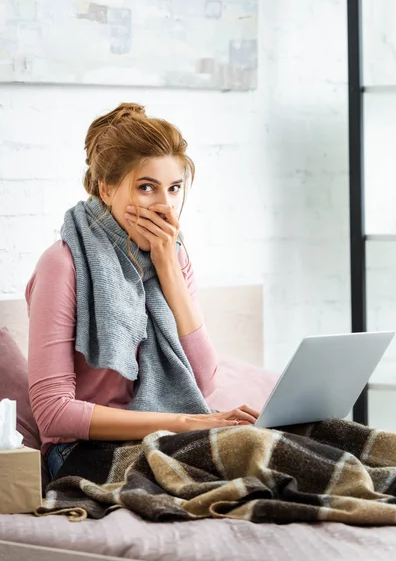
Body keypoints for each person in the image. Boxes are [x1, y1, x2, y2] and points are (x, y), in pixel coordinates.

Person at [26, 103, 259, 481]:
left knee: (296, 443)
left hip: (166, 437)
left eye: (174, 188)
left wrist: (169, 268)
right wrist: (186, 423)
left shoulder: (174, 256)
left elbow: (203, 381)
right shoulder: (63, 264)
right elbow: (54, 411)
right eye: (146, 187)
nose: (165, 206)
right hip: (78, 452)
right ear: (107, 188)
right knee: (248, 462)